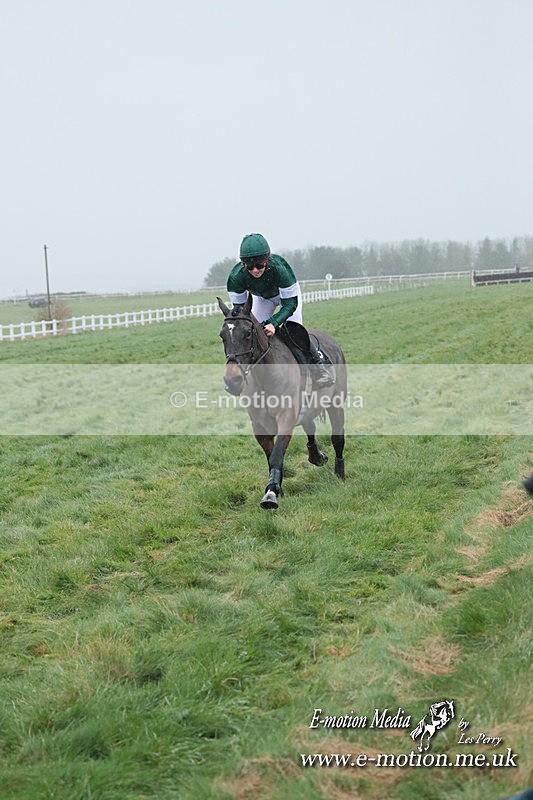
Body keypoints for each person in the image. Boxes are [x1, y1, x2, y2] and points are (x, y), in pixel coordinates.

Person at [226, 233, 334, 388]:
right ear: (243, 265)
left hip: (287, 298)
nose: (255, 270)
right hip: (262, 299)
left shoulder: (280, 269)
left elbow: (290, 304)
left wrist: (274, 323)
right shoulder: (235, 278)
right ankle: (241, 374)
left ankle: (319, 366)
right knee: (249, 332)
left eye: (260, 265)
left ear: (267, 260)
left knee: (293, 330)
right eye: (250, 266)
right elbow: (241, 314)